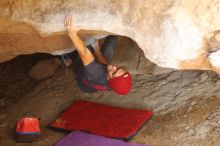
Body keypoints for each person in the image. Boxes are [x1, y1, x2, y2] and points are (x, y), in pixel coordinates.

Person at [64, 14, 132, 95]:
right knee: (112, 40)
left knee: (86, 42)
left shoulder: (95, 73)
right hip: (96, 79)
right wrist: (97, 49)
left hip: (84, 79)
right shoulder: (115, 85)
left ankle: (71, 64)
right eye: (119, 68)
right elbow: (105, 65)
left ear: (109, 79)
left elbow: (84, 53)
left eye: (114, 72)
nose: (114, 67)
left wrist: (72, 33)